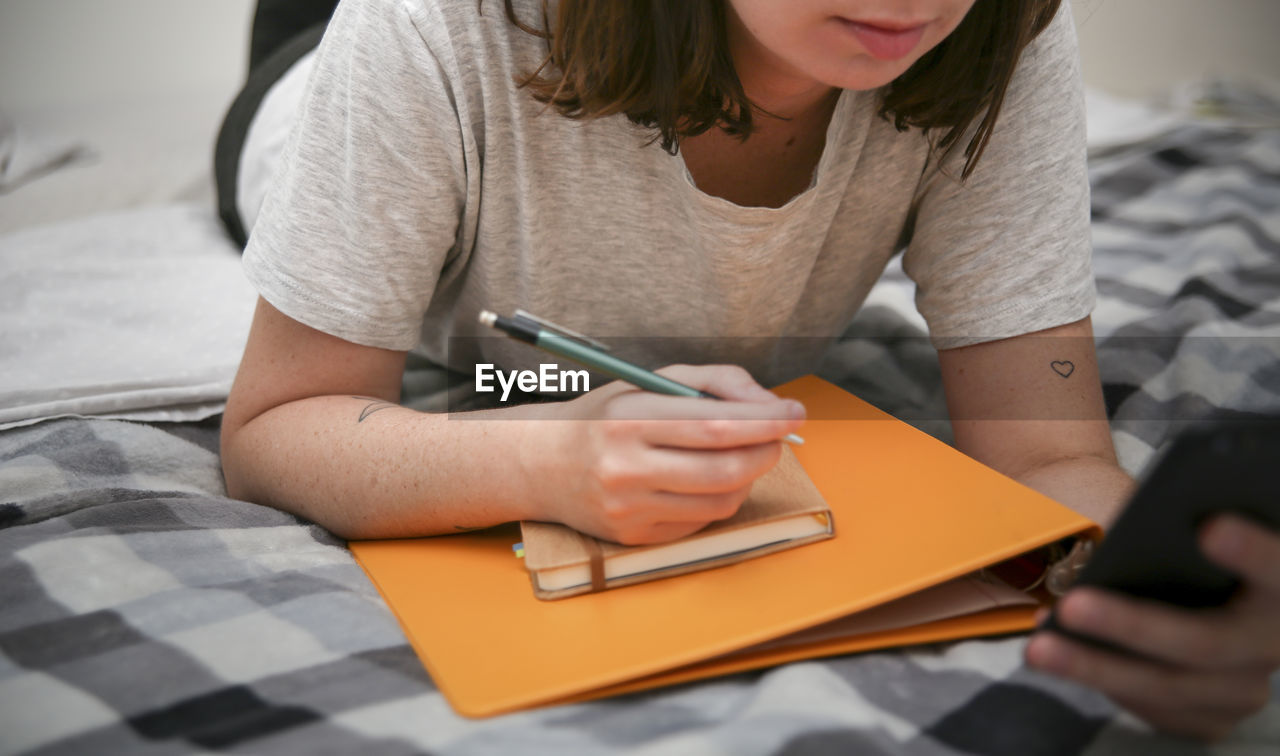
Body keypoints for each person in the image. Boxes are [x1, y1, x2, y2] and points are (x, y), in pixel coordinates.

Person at [216, 0, 1279, 740]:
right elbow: (279, 422)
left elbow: (1047, 448)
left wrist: (1143, 600)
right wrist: (542, 460)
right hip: (309, 92)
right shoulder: (416, 25)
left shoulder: (993, 28)